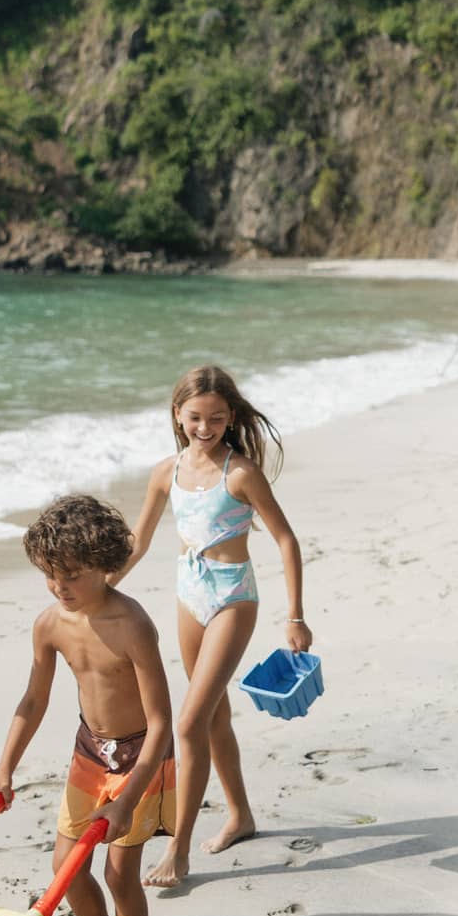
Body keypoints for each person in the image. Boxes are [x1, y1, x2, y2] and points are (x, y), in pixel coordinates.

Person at [0, 495, 175, 916]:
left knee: (119, 874)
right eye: (50, 575)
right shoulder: (50, 624)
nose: (60, 587)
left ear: (106, 566)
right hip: (91, 753)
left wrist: (130, 798)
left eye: (72, 575)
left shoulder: (132, 623)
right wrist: (5, 767)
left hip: (141, 756)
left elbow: (162, 721)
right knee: (64, 870)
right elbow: (33, 701)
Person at [114, 363, 312, 889]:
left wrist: (295, 616)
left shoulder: (240, 472)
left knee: (187, 723)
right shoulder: (166, 472)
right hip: (189, 594)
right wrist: (105, 585)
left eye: (217, 419)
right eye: (196, 417)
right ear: (178, 415)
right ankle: (241, 815)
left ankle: (178, 850)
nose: (205, 427)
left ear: (231, 418)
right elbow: (139, 540)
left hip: (232, 597)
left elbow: (286, 540)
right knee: (214, 716)